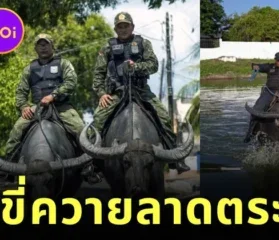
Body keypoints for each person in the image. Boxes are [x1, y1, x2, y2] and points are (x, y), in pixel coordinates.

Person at [92, 12, 190, 174]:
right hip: (117, 92)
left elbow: (153, 65)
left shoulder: (144, 43)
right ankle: (94, 163)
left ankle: (176, 158)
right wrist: (102, 93)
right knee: (98, 119)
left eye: (126, 26)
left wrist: (136, 67)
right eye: (120, 26)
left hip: (141, 90)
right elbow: (98, 73)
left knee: (164, 117)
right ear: (115, 29)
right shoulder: (107, 47)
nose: (123, 29)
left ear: (132, 27)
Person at [0, 34, 98, 184]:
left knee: (81, 130)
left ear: (53, 46)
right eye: (40, 44)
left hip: (61, 107)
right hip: (36, 108)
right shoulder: (29, 68)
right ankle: (7, 172)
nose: (43, 47)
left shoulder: (63, 64)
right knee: (16, 131)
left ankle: (89, 167)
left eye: (46, 44)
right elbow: (21, 91)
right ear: (35, 48)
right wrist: (24, 106)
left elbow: (71, 82)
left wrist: (53, 96)